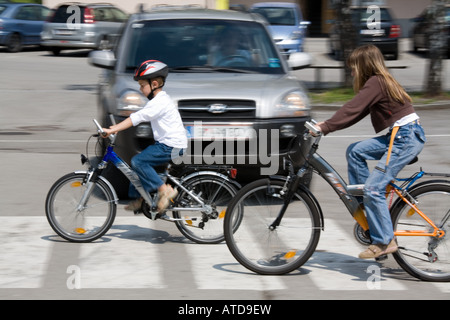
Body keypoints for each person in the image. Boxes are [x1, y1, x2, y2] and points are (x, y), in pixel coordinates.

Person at [312, 45, 426, 259]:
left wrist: (324, 127)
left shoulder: (376, 82)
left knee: (374, 188)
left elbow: (352, 108)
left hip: (405, 137)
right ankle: (368, 208)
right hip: (403, 135)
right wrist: (327, 125)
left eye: (353, 68)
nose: (352, 72)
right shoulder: (380, 82)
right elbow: (356, 113)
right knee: (355, 151)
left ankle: (384, 241)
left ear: (364, 66)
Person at [102, 60, 188, 212]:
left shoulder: (159, 102)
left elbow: (137, 117)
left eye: (142, 85)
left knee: (138, 161)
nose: (141, 89)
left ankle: (164, 190)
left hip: (171, 146)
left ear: (154, 84)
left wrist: (113, 129)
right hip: (167, 144)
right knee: (137, 165)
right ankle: (143, 199)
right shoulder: (159, 101)